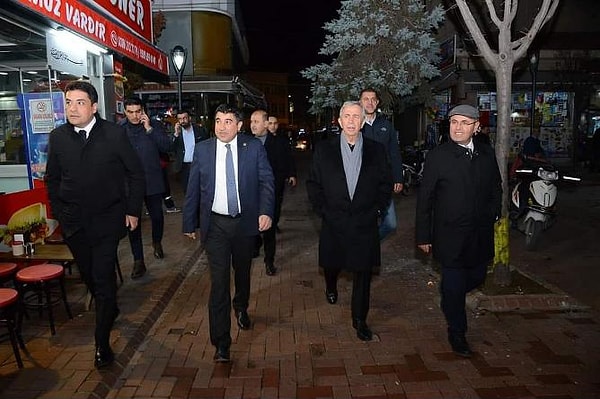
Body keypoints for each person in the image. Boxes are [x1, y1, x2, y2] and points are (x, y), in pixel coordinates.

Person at [46, 81, 145, 369]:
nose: (72, 108)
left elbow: (136, 174)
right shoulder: (59, 137)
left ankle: (101, 343)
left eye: (79, 102)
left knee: (102, 278)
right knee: (90, 277)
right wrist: (60, 215)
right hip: (74, 224)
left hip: (107, 221)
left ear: (93, 106)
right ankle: (109, 305)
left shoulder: (114, 135)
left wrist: (132, 210)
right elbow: (51, 179)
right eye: (68, 102)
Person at [182, 104, 274, 363]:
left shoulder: (253, 148)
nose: (222, 126)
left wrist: (266, 211)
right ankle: (221, 342)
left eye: (228, 121)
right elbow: (194, 189)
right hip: (216, 227)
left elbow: (267, 181)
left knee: (242, 272)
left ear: (239, 125)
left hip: (244, 223)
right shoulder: (203, 150)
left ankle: (241, 305)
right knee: (219, 282)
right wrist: (189, 222)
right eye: (218, 120)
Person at [415, 104, 502, 358]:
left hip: (479, 234)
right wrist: (423, 236)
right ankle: (457, 333)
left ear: (476, 127)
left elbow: (496, 188)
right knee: (454, 285)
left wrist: (494, 213)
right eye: (454, 122)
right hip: (449, 236)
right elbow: (425, 200)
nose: (458, 127)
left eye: (465, 123)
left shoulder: (486, 154)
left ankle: (450, 296)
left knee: (476, 277)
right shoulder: (438, 156)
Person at [306, 101, 392, 341]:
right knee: (333, 263)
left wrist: (377, 211)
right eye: (348, 116)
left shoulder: (376, 150)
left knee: (363, 273)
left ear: (363, 122)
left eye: (357, 116)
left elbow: (386, 184)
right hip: (334, 220)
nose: (352, 121)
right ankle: (331, 285)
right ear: (340, 121)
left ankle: (359, 319)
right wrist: (323, 210)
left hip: (365, 221)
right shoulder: (324, 150)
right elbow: (313, 184)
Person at [119, 98, 173, 278]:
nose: (134, 116)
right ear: (125, 112)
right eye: (130, 112)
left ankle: (157, 242)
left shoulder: (154, 126)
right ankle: (138, 261)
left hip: (152, 181)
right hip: (129, 184)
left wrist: (149, 129)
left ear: (143, 110)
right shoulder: (119, 129)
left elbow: (167, 146)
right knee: (133, 223)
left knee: (157, 216)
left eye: (137, 111)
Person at [250, 110, 297, 275]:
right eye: (251, 121)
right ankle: (255, 245)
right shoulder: (246, 143)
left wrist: (291, 174)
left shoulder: (279, 143)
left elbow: (286, 161)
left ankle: (269, 261)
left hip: (272, 192)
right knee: (252, 224)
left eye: (256, 121)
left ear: (265, 124)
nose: (253, 125)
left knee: (269, 228)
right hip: (251, 194)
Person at [359, 88, 403, 241]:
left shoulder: (386, 125)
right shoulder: (355, 124)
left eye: (373, 99)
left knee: (391, 223)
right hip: (362, 182)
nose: (370, 102)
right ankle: (364, 251)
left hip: (383, 181)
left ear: (377, 102)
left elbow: (394, 153)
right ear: (360, 102)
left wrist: (398, 178)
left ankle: (371, 243)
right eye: (366, 99)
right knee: (364, 222)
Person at [173, 110, 210, 195]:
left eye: (184, 118)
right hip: (184, 167)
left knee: (201, 189)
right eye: (180, 119)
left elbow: (207, 146)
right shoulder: (177, 133)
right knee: (187, 191)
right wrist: (176, 134)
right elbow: (170, 147)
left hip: (198, 164)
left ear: (189, 118)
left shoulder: (199, 130)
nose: (182, 121)